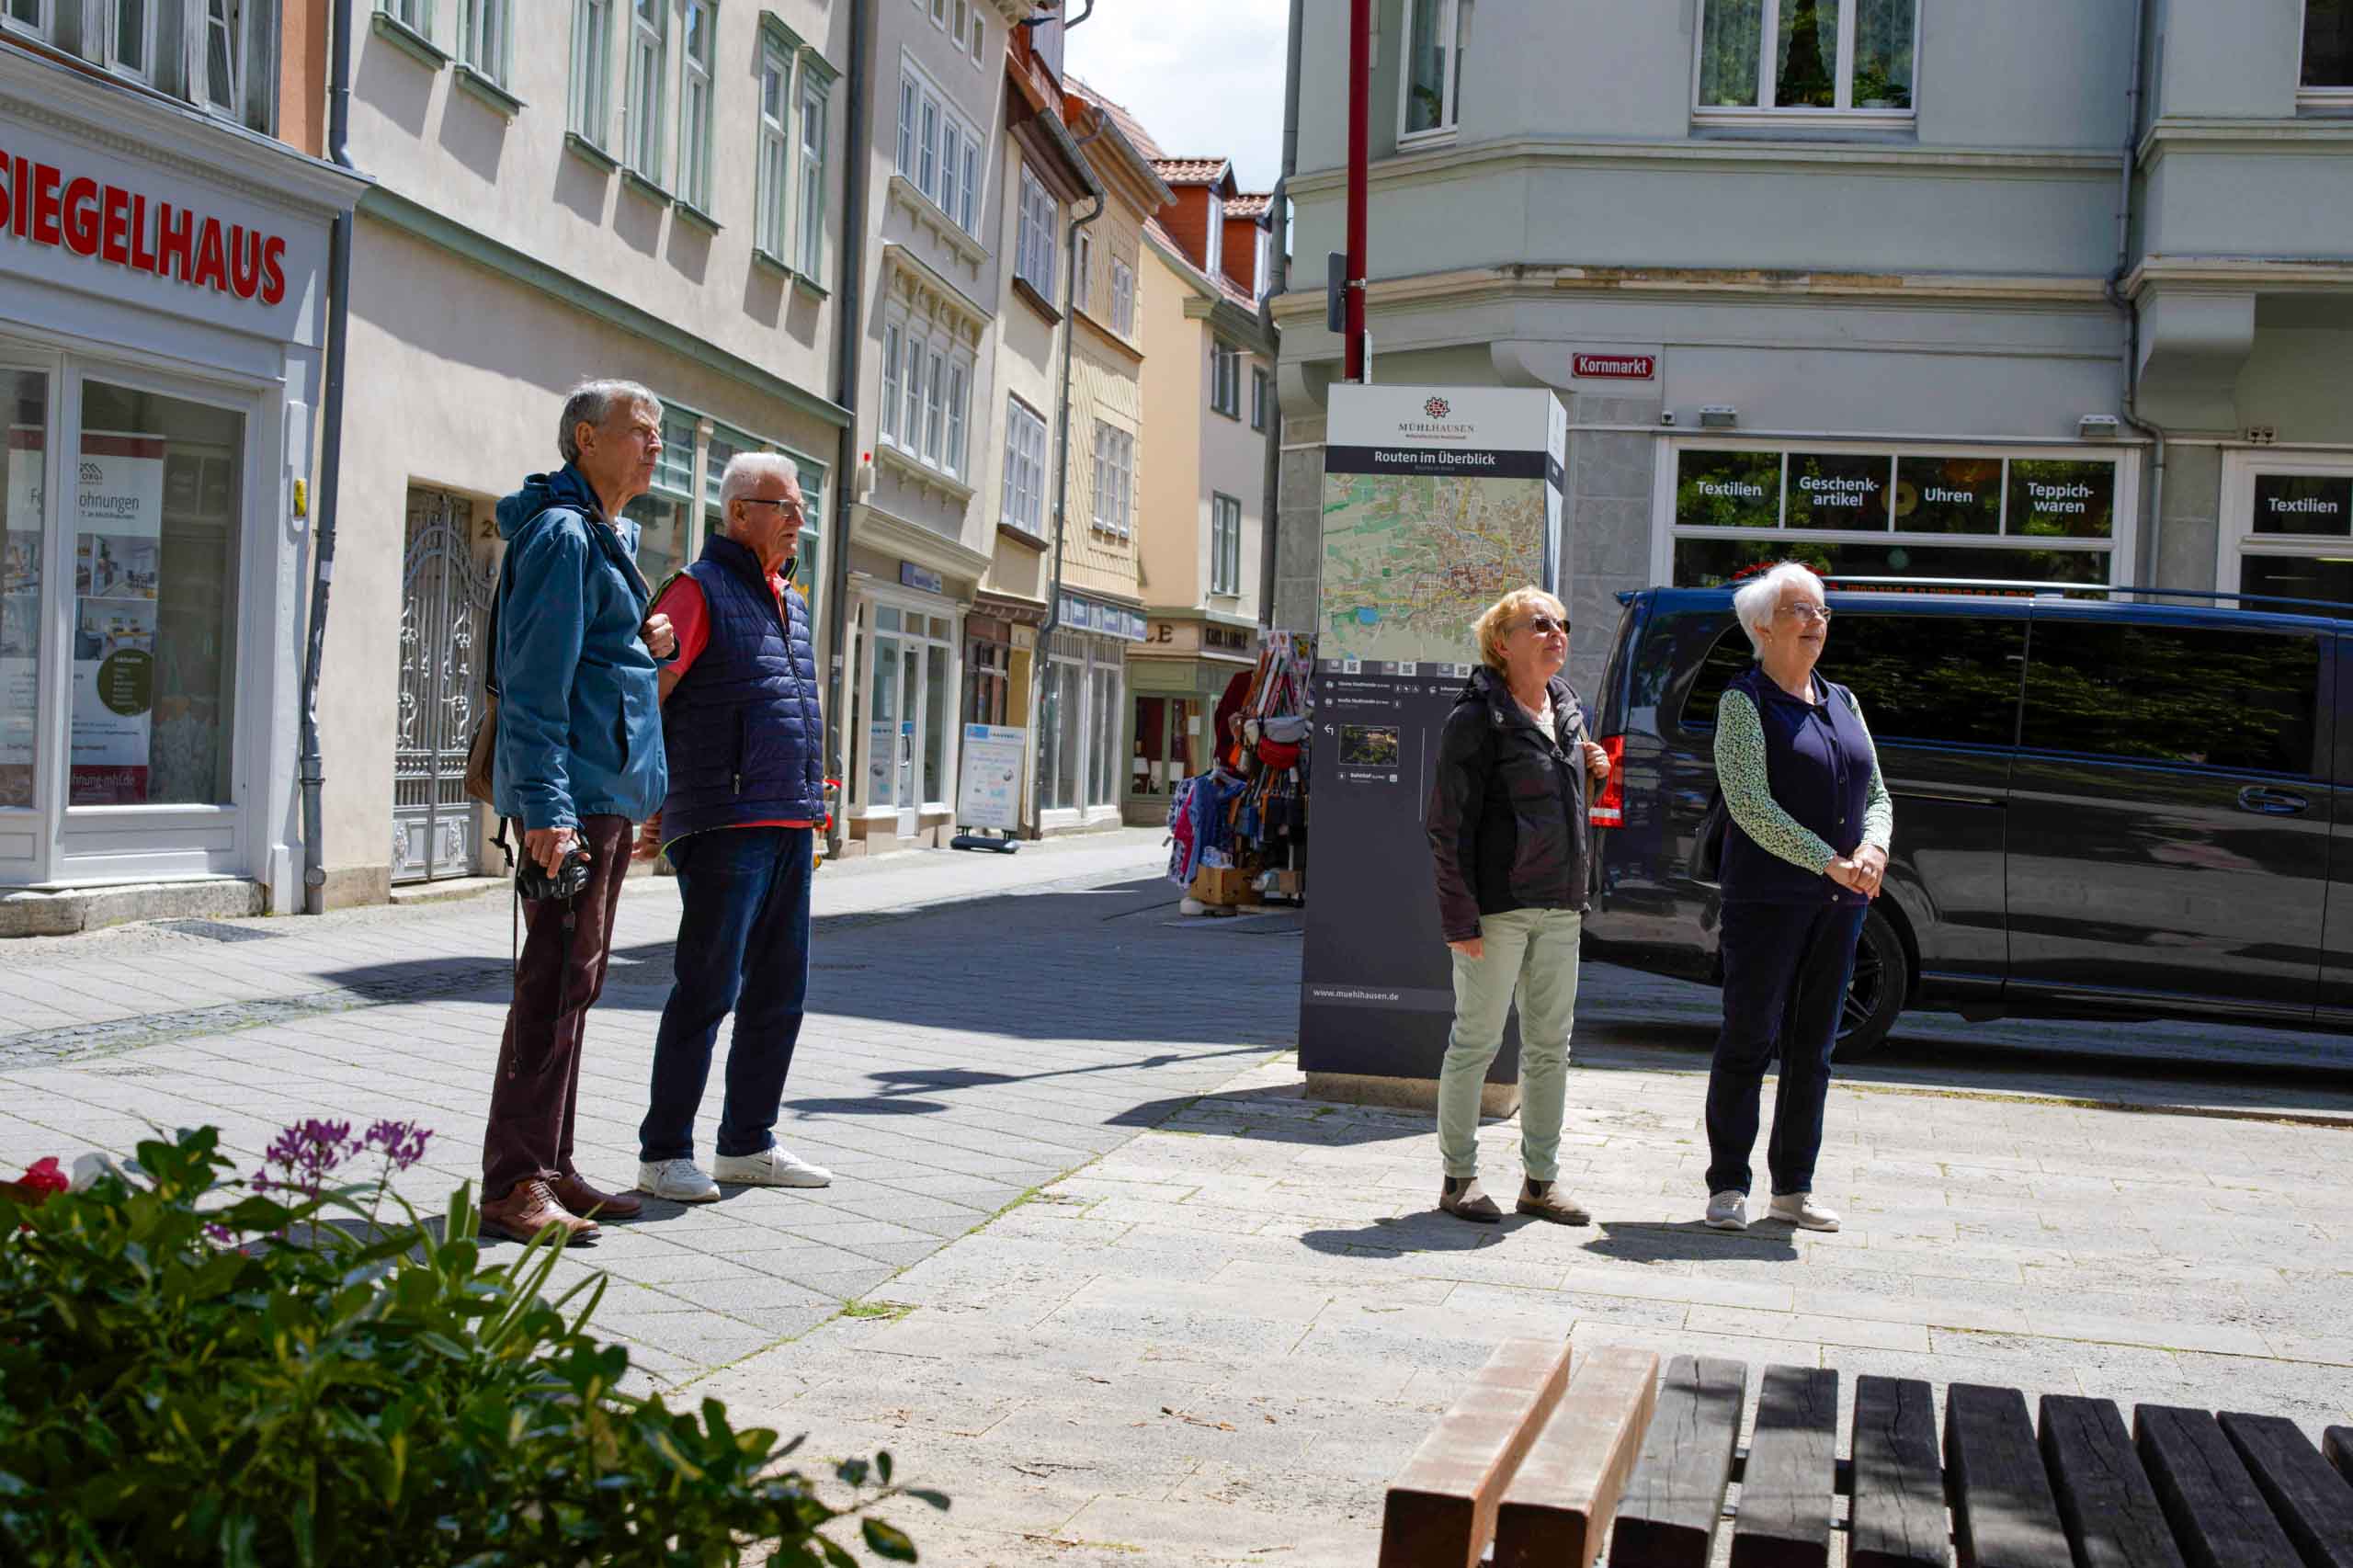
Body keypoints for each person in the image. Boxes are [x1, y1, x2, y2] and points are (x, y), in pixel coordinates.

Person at [479, 380, 676, 1245]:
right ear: (586, 440)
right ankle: (513, 1182)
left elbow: (600, 662)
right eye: (641, 431)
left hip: (604, 796)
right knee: (552, 985)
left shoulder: (604, 534)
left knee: (575, 985)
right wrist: (548, 814)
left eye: (659, 434)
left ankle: (552, 1165)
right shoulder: (563, 536)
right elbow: (534, 688)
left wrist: (650, 639)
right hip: (573, 802)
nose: (655, 445)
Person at [631, 453, 834, 1202]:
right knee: (707, 989)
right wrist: (652, 799)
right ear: (739, 512)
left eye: (801, 507)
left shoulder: (791, 600)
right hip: (724, 820)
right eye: (785, 507)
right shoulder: (697, 589)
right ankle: (663, 1153)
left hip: (788, 818)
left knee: (780, 992)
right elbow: (651, 697)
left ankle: (748, 1142)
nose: (798, 520)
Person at [1702, 561, 1893, 1234]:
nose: (1817, 622)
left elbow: (1877, 793)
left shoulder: (1843, 699)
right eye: (1801, 611)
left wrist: (1873, 849)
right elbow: (1749, 806)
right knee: (1749, 1039)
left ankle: (1793, 1189)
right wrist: (1830, 862)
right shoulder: (1744, 702)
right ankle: (1728, 1184)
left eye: (1822, 612)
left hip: (1841, 907)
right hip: (1767, 902)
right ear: (1762, 627)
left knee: (1814, 1048)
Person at [1427, 586, 1611, 1225]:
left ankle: (1540, 1182)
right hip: (1498, 909)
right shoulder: (1475, 719)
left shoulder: (1567, 708)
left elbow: (1563, 807)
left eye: (1562, 623)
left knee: (1550, 1047)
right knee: (1476, 1043)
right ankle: (1458, 1179)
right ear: (1502, 643)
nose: (1557, 633)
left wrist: (1592, 771)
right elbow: (1446, 827)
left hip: (1560, 902)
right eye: (1539, 624)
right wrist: (1460, 918)